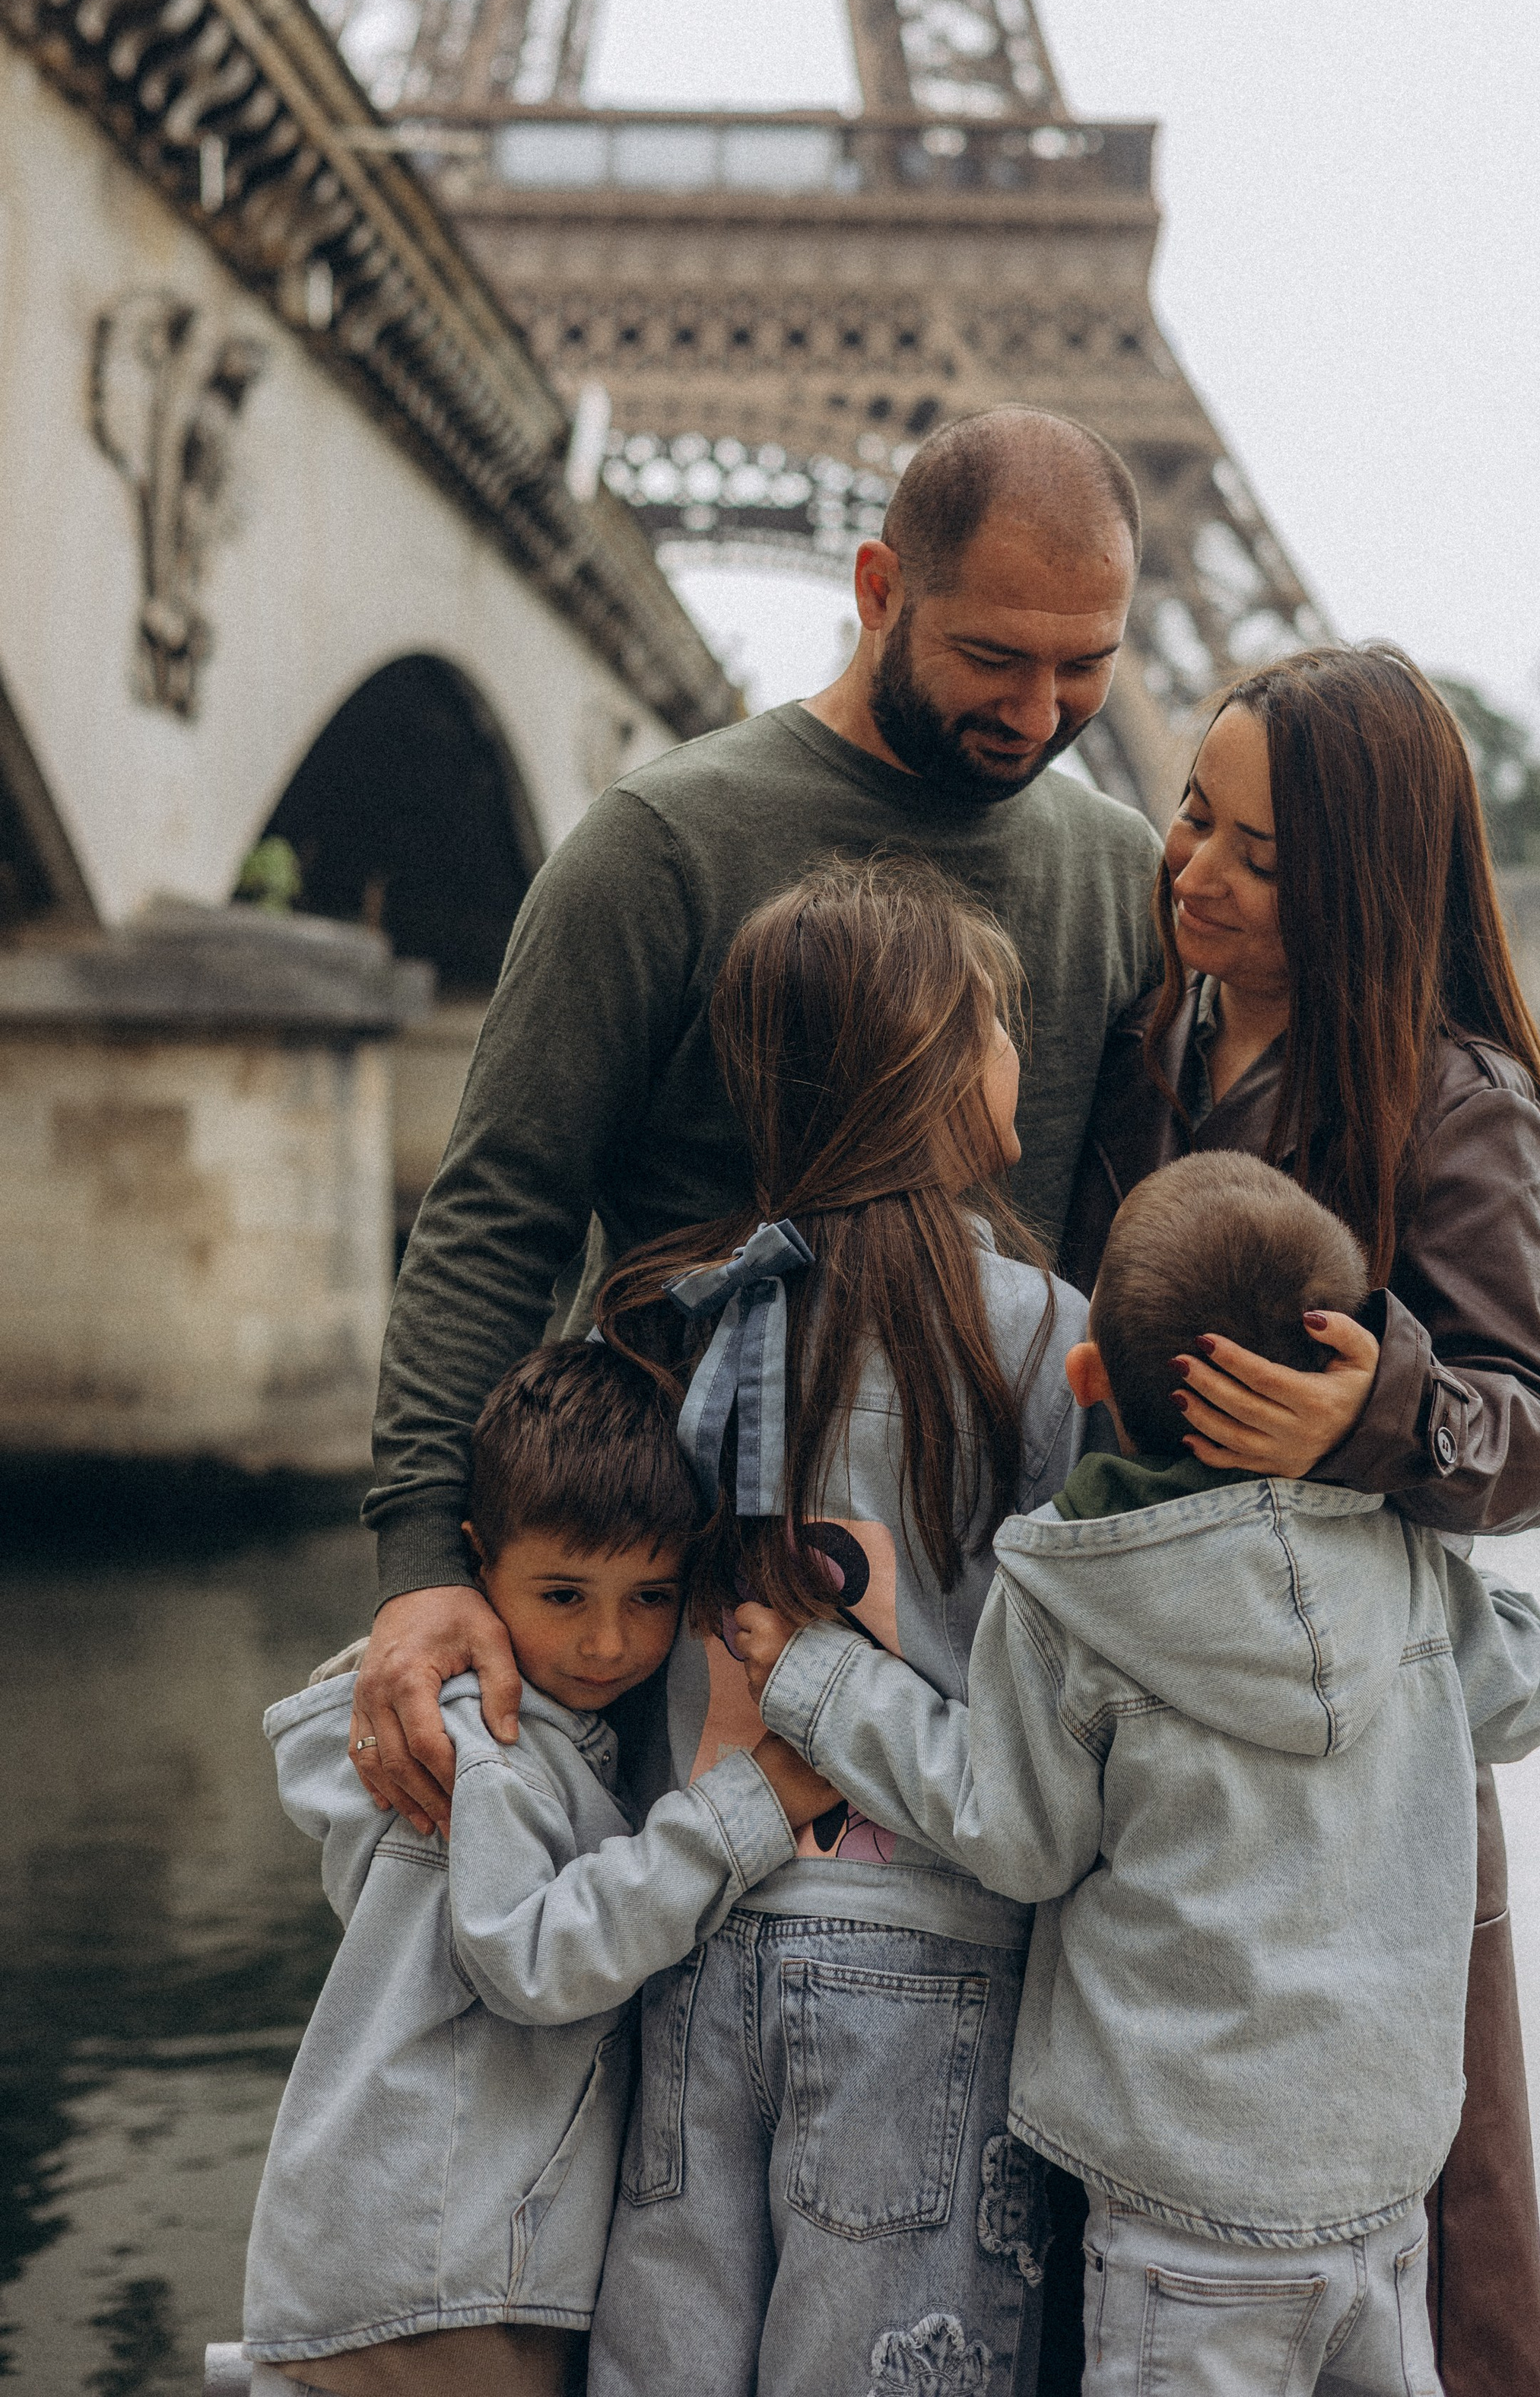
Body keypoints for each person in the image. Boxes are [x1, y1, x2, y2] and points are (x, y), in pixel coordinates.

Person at [351, 405, 1160, 1842]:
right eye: (993, 657)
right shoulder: (657, 846)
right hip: (677, 1646)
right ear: (878, 588)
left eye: (1084, 666)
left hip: (992, 1666)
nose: (1039, 714)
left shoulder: (1123, 873)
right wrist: (424, 1563)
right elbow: (499, 1216)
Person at [734, 1151, 1540, 2397]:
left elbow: (1019, 1836)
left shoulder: (1071, 1593)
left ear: (1087, 1381)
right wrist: (1401, 1486)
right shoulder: (1407, 1561)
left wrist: (824, 1684)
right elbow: (1531, 1691)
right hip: (1386, 2187)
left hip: (1183, 2205)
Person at [1059, 642, 1540, 2397]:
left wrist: (1367, 1416)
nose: (1195, 870)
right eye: (1190, 817)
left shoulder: (1458, 1106)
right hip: (1154, 1715)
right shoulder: (1151, 1041)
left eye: (1261, 857)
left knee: (1432, 2222)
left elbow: (1536, 1433)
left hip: (1365, 1760)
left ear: (1363, 881)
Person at [582, 854, 1107, 2397]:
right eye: (995, 1024)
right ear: (930, 1062)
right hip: (931, 1959)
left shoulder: (675, 1311)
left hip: (693, 1936)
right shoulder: (1046, 1339)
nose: (1017, 1051)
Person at [243, 1340, 835, 2397]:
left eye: (650, 1598)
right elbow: (532, 1958)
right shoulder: (491, 1752)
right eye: (564, 1595)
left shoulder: (522, 1739)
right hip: (441, 2280)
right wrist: (749, 1808)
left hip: (410, 2263)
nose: (608, 1643)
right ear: (476, 1565)